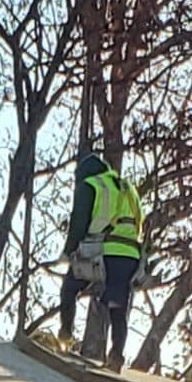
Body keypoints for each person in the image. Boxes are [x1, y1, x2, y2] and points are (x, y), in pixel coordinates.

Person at [59, 146, 144, 368]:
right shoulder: (128, 188)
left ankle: (64, 338)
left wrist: (68, 252)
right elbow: (140, 222)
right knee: (117, 304)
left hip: (103, 251)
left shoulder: (91, 185)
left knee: (70, 287)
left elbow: (79, 222)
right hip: (131, 254)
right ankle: (116, 355)